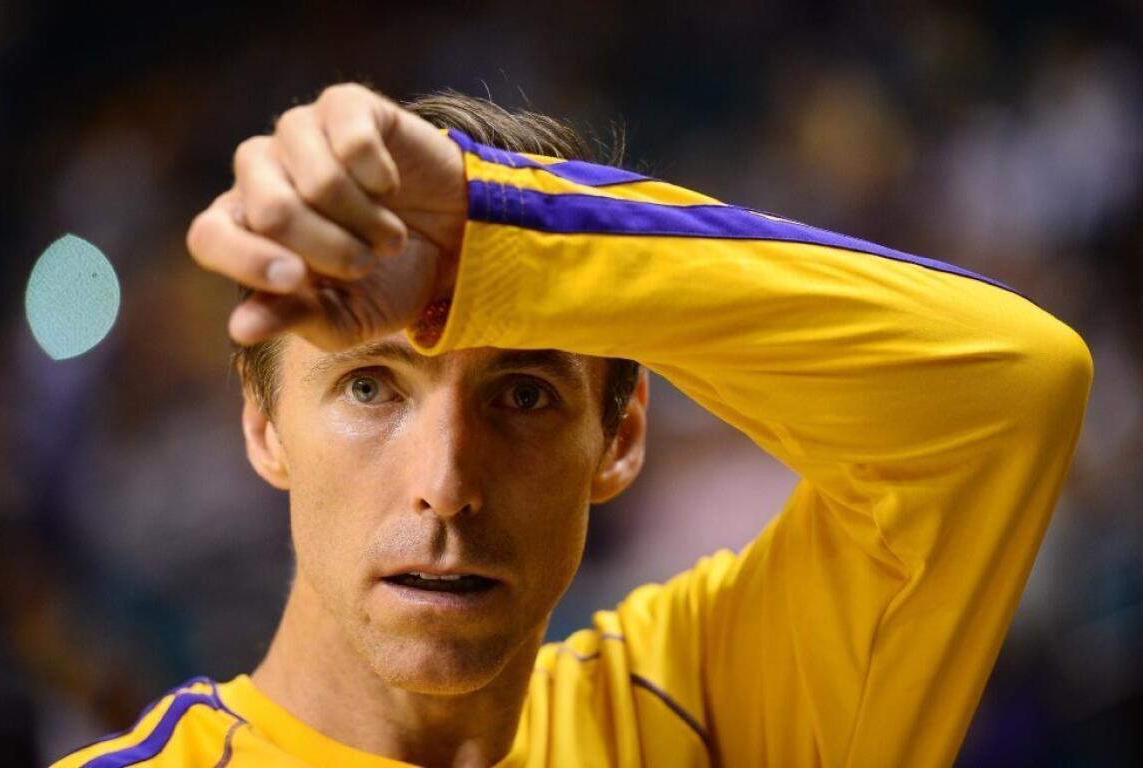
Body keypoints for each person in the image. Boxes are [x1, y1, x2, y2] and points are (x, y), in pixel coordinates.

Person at [53, 83, 1092, 768]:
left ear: (623, 435)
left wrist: (497, 238)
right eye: (371, 389)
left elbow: (1013, 384)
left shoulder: (705, 705)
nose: (447, 484)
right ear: (265, 427)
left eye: (524, 395)